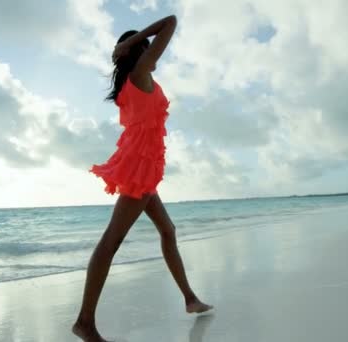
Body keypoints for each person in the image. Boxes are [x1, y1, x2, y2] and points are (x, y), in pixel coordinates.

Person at [72, 15, 213, 342]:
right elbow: (173, 21)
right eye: (146, 48)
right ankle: (84, 322)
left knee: (168, 230)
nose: (153, 52)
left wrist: (127, 46)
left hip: (144, 168)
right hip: (140, 169)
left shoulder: (133, 80)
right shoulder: (138, 72)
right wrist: (130, 43)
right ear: (138, 52)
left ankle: (190, 299)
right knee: (110, 242)